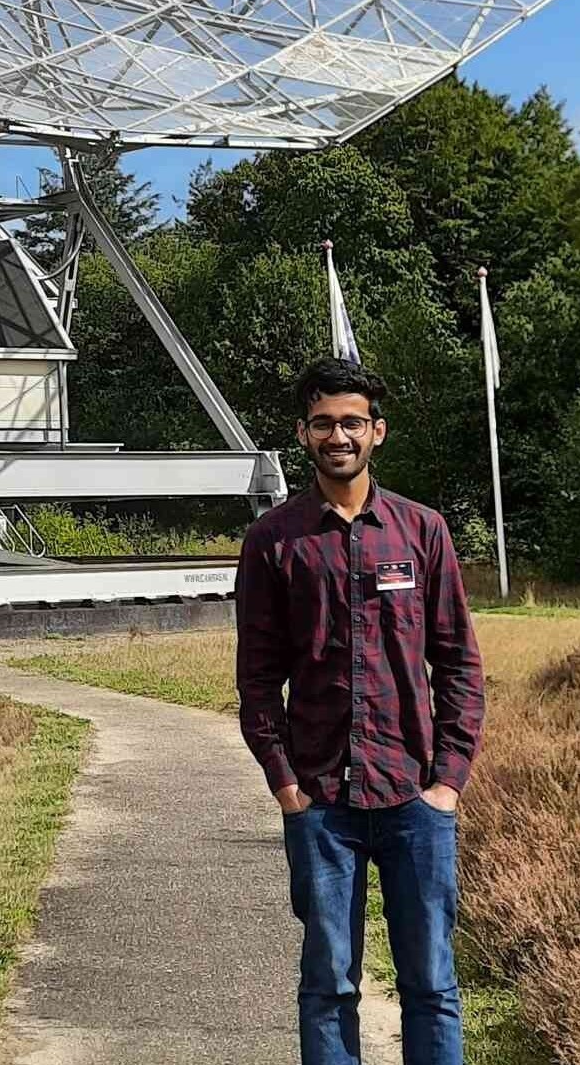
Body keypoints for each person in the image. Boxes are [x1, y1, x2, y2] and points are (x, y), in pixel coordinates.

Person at [235, 356, 485, 1065]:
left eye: (351, 421)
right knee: (328, 985)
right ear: (302, 432)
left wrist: (447, 784)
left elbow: (460, 663)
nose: (337, 434)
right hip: (322, 804)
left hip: (415, 799)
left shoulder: (422, 531)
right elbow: (257, 679)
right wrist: (287, 786)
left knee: (432, 983)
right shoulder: (273, 542)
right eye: (322, 422)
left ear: (377, 430)